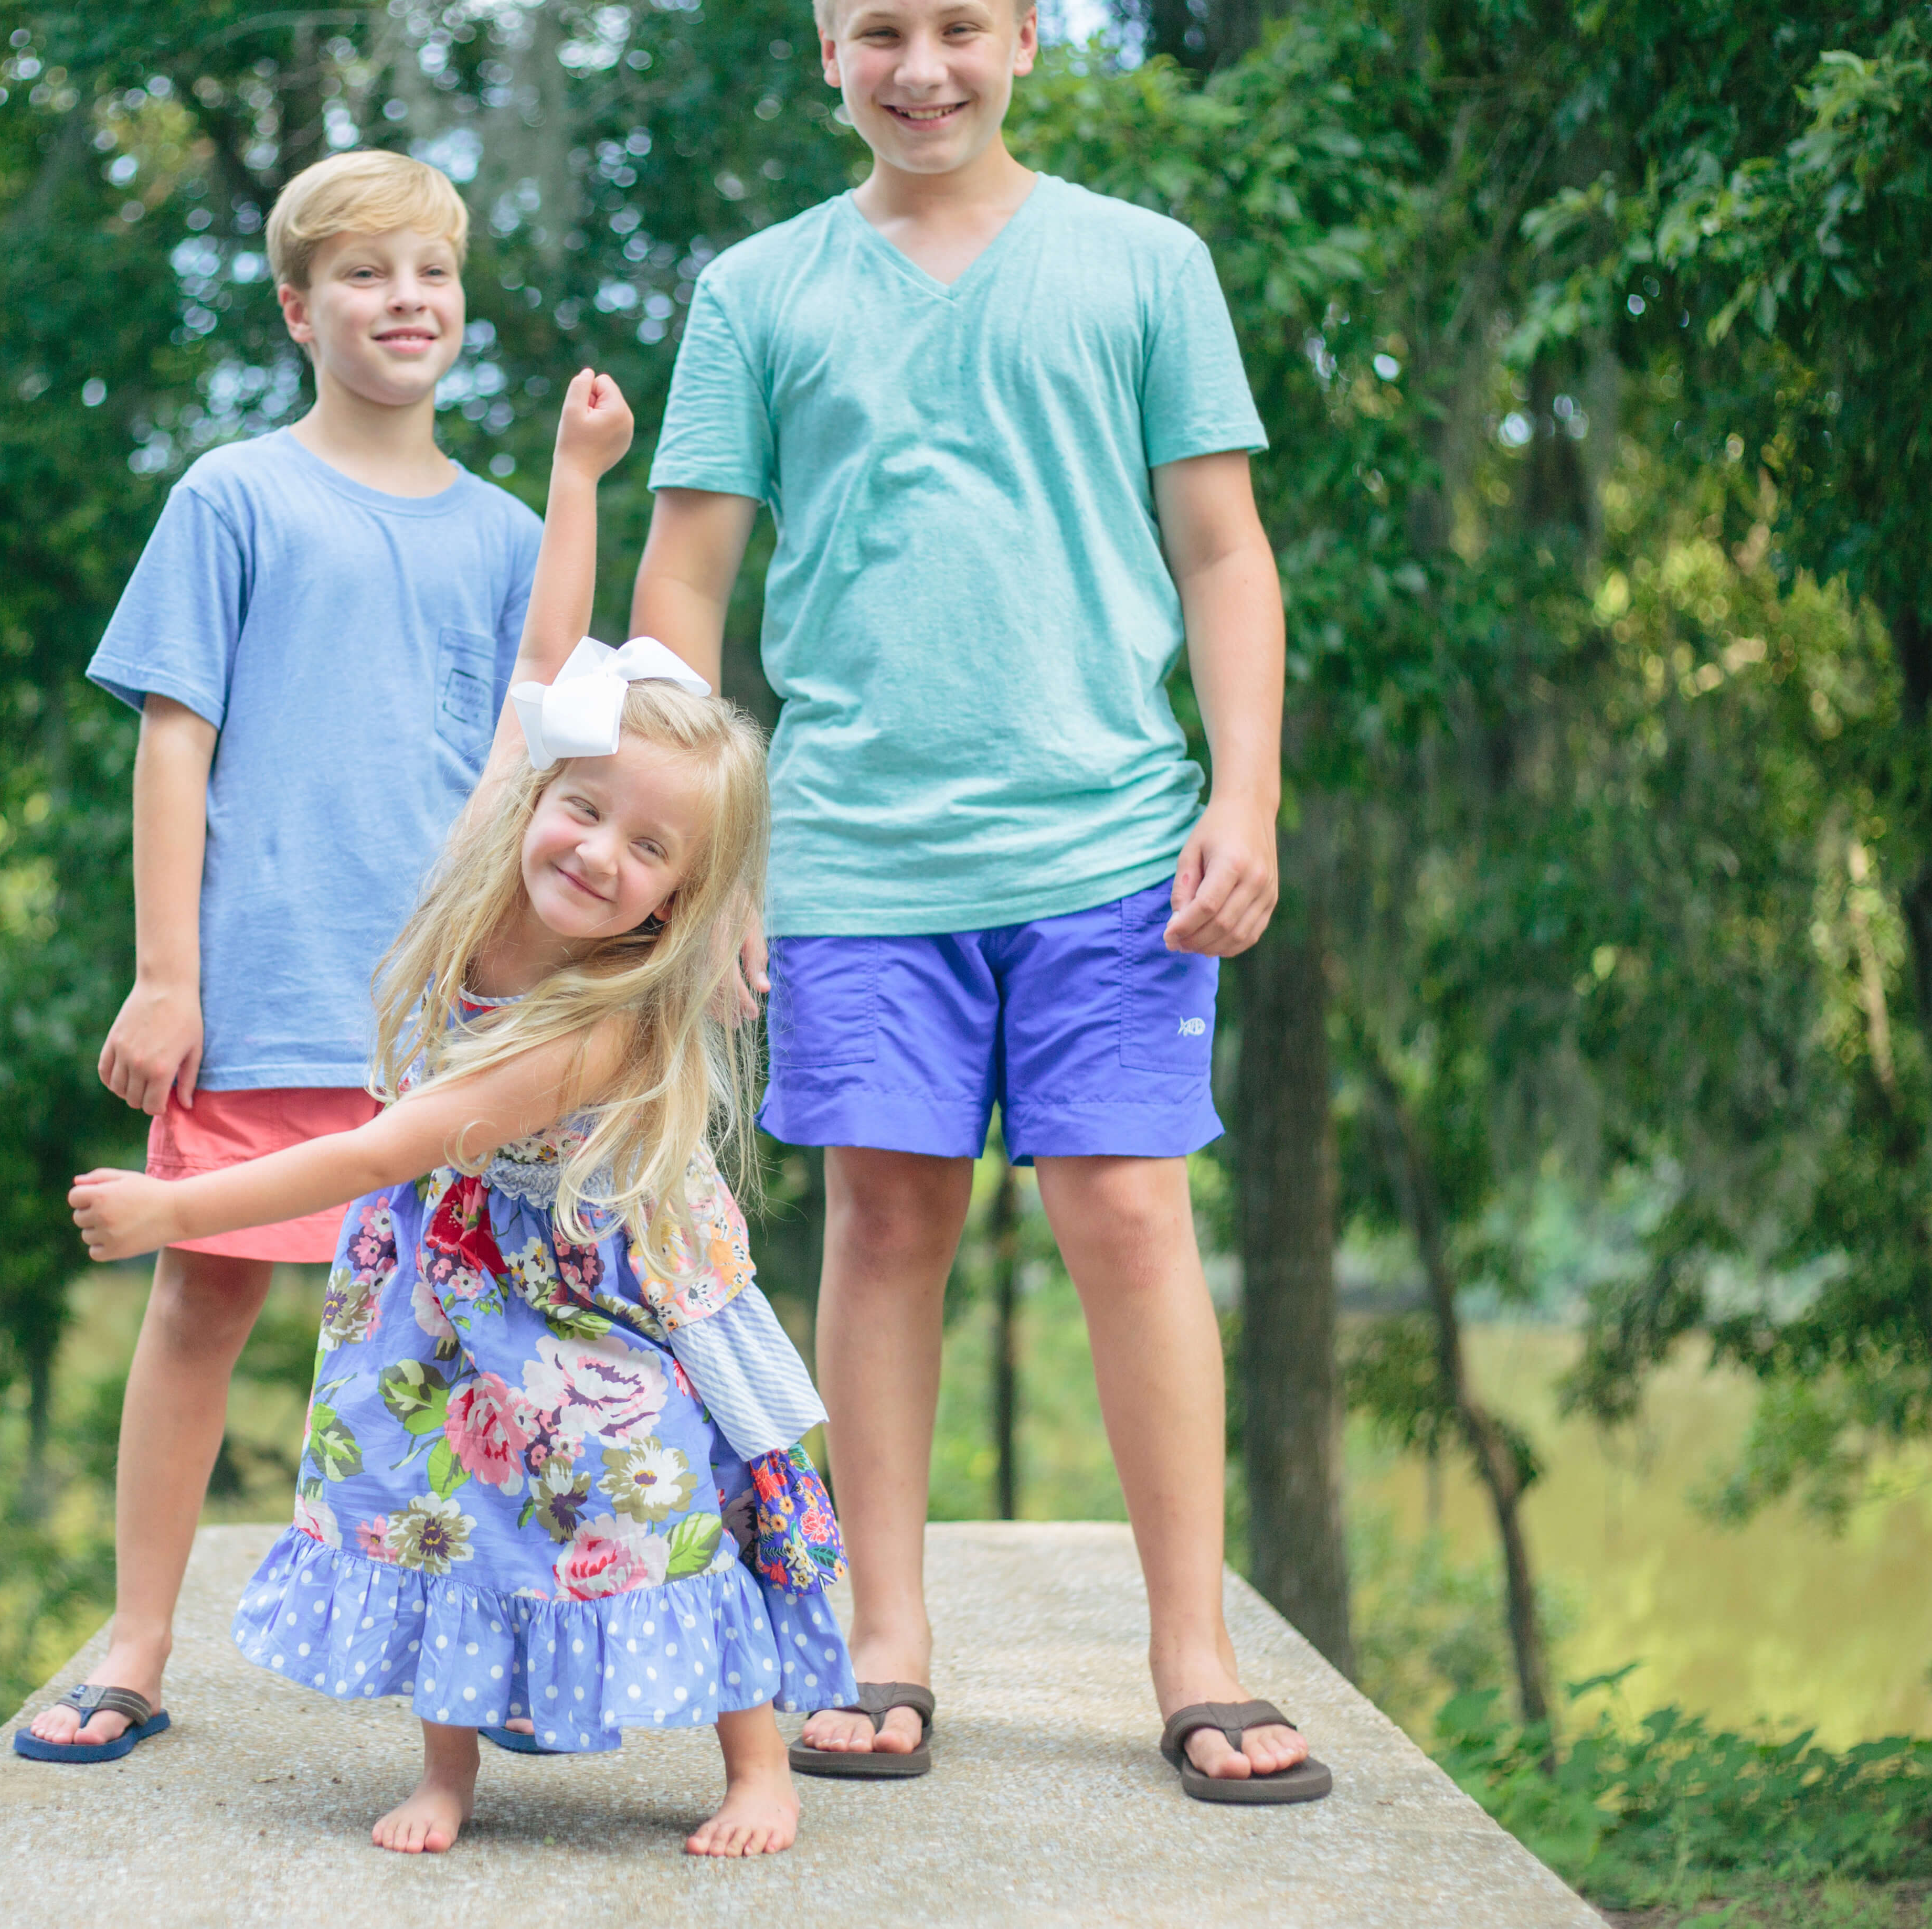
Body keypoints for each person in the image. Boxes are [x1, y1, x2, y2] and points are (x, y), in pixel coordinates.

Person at [630, 0, 1328, 1802]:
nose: (918, 66)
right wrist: (697, 869)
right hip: (855, 855)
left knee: (1126, 1213)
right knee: (879, 1225)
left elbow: (1221, 548)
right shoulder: (757, 292)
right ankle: (886, 1646)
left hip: (1112, 844)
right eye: (879, 31)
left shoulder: (1144, 264)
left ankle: (1193, 1659)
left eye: (957, 25)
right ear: (824, 50)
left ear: (1026, 38)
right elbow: (684, 588)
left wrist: (1242, 791)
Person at [65, 369, 857, 1857]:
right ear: (539, 793)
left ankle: (755, 1766)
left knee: (651, 1500)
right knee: (434, 1501)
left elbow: (388, 1146)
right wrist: (575, 477)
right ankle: (445, 1773)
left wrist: (174, 1210)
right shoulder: (489, 855)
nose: (598, 853)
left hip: (590, 1300)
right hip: (442, 1292)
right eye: (583, 809)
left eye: (648, 850)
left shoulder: (602, 1019)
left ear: (680, 900)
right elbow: (546, 664)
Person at [20, 150, 546, 1763]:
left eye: (431, 274)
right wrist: (165, 974)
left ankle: (507, 1651)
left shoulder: (511, 531)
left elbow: (548, 776)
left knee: (494, 1334)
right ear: (297, 308)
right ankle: (136, 1635)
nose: (406, 302)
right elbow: (172, 743)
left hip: (455, 1019)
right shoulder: (233, 496)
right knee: (200, 1301)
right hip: (269, 986)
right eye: (368, 275)